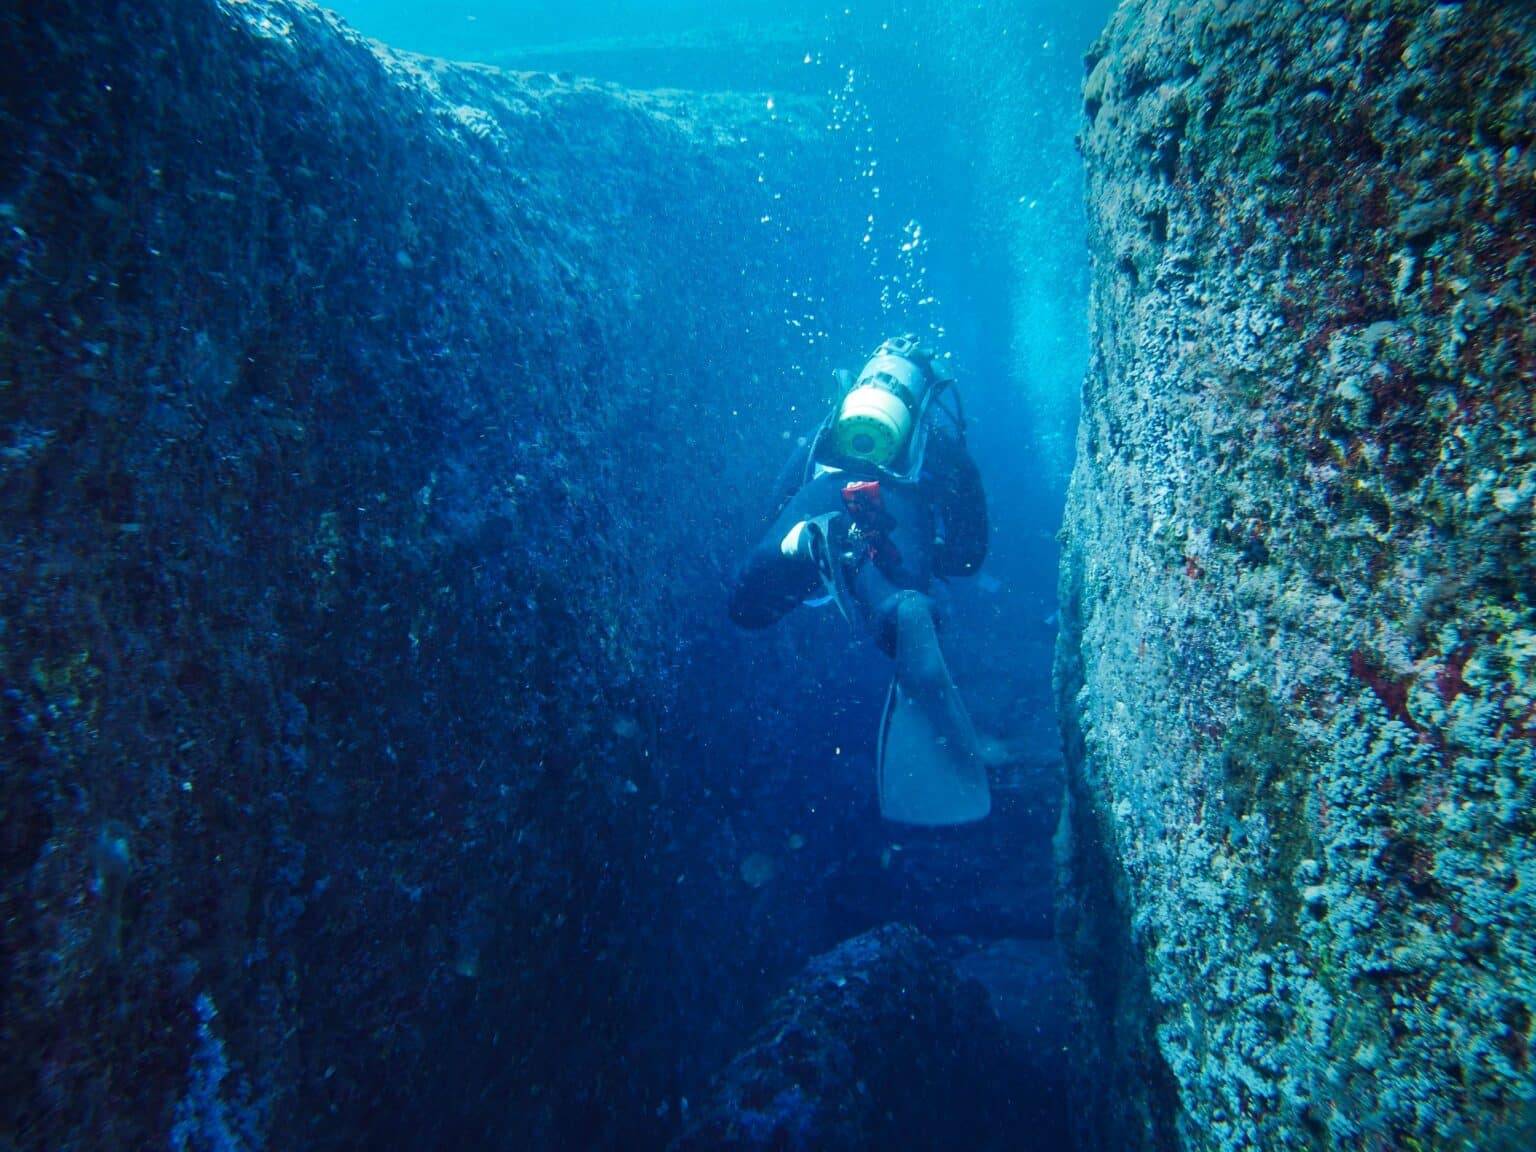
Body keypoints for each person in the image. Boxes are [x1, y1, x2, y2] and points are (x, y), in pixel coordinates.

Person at [729, 334, 992, 825]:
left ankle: (810, 545)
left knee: (746, 607)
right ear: (928, 394)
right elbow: (968, 556)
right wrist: (930, 551)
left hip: (820, 495)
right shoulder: (939, 444)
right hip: (896, 513)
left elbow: (775, 502)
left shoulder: (828, 427)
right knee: (895, 602)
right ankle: (895, 598)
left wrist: (789, 526)